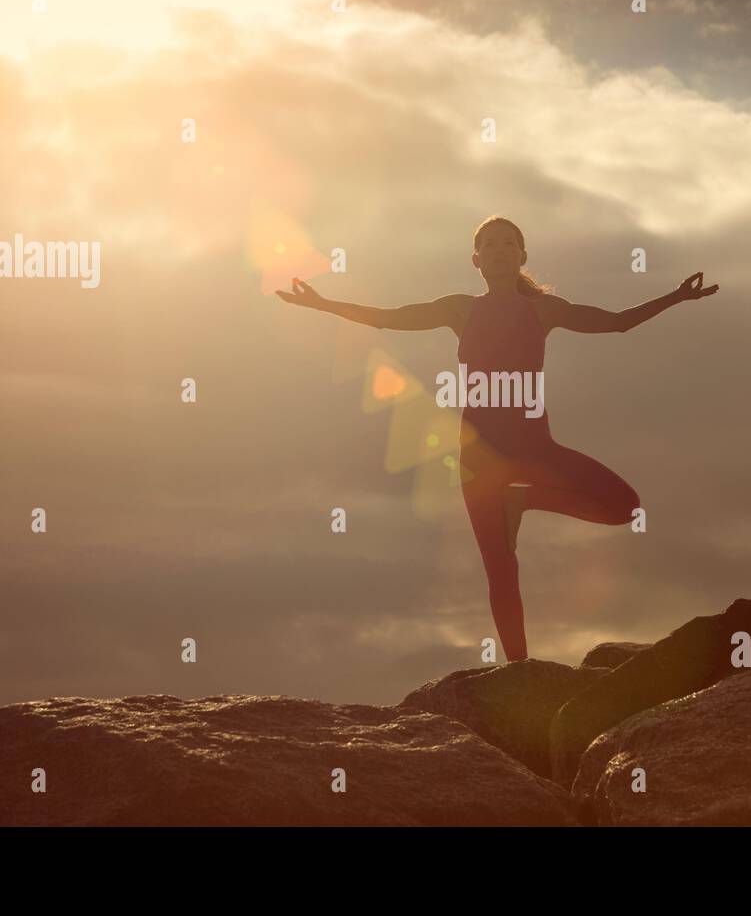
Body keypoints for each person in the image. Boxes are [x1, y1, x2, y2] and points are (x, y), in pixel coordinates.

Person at [277, 215, 719, 662]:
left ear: (523, 255)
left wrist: (677, 296)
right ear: (476, 260)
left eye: (509, 244)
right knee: (500, 570)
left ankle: (522, 502)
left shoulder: (544, 310)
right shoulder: (459, 308)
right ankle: (519, 670)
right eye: (490, 245)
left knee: (625, 505)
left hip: (536, 449)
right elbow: (390, 319)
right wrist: (324, 305)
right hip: (478, 458)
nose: (500, 251)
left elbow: (618, 323)